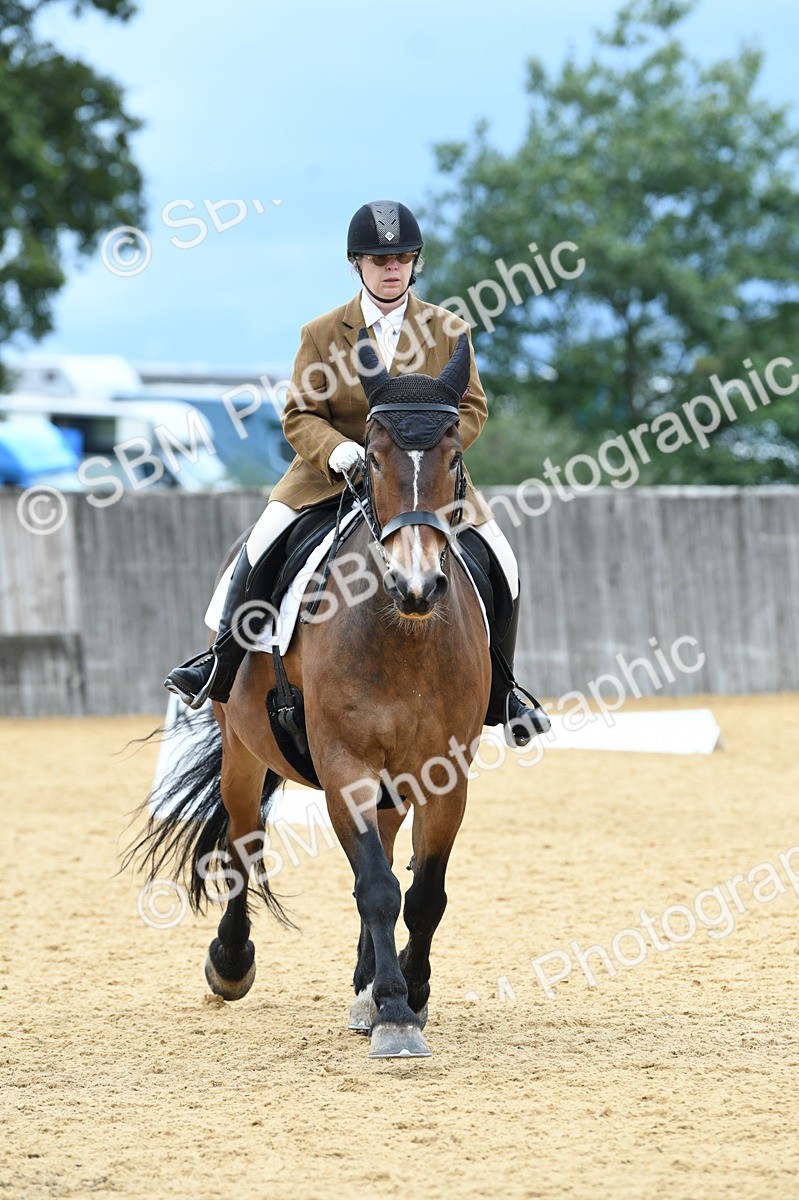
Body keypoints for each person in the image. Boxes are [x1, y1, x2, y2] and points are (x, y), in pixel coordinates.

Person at [165, 200, 550, 746]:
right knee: (259, 547)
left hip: (422, 482)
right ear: (357, 264)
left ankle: (503, 692)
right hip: (331, 476)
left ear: (414, 263)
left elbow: (473, 409)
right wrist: (340, 452)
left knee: (504, 562)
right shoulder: (323, 333)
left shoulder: (449, 330)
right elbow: (299, 412)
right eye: (378, 259)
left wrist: (428, 453)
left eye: (401, 257)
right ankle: (219, 663)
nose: (390, 267)